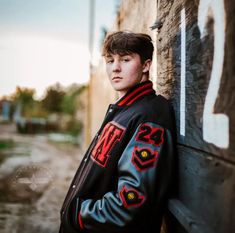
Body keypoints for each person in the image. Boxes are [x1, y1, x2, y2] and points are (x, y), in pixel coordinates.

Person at [59, 31, 176, 233]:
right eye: (110, 60)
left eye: (126, 59)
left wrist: (79, 215)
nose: (116, 68)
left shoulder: (149, 116)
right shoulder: (125, 110)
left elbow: (132, 201)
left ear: (146, 65)